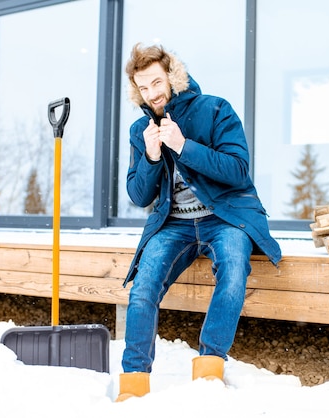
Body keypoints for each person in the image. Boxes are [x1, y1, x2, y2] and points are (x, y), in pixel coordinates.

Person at [116, 43, 281, 401]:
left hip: (224, 217)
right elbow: (140, 196)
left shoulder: (215, 109)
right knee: (143, 288)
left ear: (172, 78)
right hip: (172, 224)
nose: (152, 94)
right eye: (143, 88)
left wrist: (183, 145)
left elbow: (237, 171)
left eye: (157, 83)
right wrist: (150, 155)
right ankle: (133, 383)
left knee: (234, 270)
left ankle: (209, 366)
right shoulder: (139, 129)